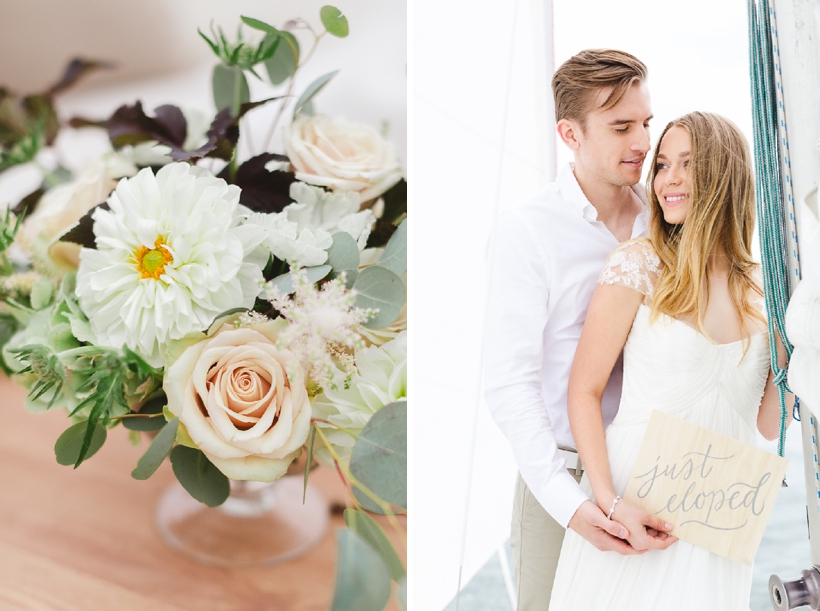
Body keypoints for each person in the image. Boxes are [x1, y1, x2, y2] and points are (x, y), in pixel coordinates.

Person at [548, 111, 791, 610]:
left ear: (725, 175)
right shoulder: (638, 264)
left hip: (717, 520)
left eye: (687, 164)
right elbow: (585, 391)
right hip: (635, 503)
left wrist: (794, 344)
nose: (668, 180)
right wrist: (609, 503)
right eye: (662, 165)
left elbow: (767, 424)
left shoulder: (764, 288)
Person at [484, 49, 675, 611]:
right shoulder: (527, 231)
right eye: (621, 127)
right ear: (570, 133)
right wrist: (569, 504)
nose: (643, 142)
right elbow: (507, 381)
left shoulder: (667, 219)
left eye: (645, 123)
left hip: (662, 470)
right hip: (565, 479)